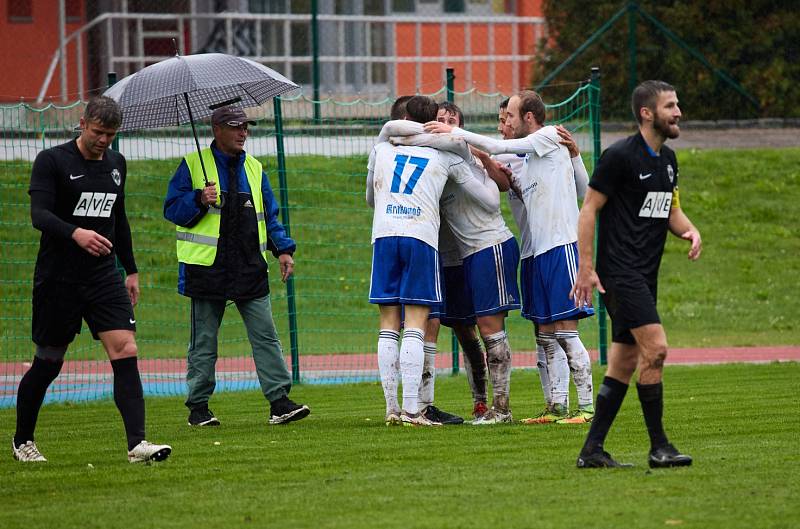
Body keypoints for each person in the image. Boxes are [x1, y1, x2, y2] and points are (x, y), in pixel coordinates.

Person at [13, 96, 171, 463]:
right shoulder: (51, 161)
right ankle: (23, 441)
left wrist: (130, 269)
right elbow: (39, 215)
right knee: (49, 362)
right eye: (98, 132)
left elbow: (120, 219)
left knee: (126, 349)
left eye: (111, 135)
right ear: (82, 123)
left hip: (103, 276)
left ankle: (137, 445)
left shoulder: (116, 164)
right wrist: (75, 233)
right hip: (59, 278)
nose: (104, 141)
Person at [424, 91, 596, 425]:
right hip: (533, 253)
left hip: (560, 247)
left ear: (529, 118)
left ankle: (586, 407)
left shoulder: (547, 137)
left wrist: (455, 134)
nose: (505, 124)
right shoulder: (528, 160)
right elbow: (506, 174)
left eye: (510, 117)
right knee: (544, 334)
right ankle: (556, 405)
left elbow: (584, 192)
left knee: (566, 331)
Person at [571, 80, 700, 468]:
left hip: (645, 275)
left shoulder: (669, 161)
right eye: (670, 106)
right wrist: (586, 268)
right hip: (619, 271)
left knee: (624, 363)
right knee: (656, 349)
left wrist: (689, 230)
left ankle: (592, 451)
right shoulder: (620, 157)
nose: (678, 112)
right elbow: (588, 209)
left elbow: (669, 209)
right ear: (647, 113)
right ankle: (659, 447)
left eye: (677, 105)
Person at [164, 105, 309, 427]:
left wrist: (283, 250)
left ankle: (279, 402)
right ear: (217, 129)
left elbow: (269, 216)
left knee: (266, 337)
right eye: (236, 126)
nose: (244, 132)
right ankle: (198, 408)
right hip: (206, 269)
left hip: (249, 267)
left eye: (246, 126)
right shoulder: (192, 166)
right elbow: (172, 210)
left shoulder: (256, 169)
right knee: (204, 341)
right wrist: (198, 199)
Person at [368, 96, 500, 426]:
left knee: (388, 325)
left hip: (384, 235)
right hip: (421, 237)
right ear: (431, 121)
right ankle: (414, 410)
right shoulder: (444, 153)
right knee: (416, 324)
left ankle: (391, 408)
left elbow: (370, 197)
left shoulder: (381, 147)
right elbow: (489, 200)